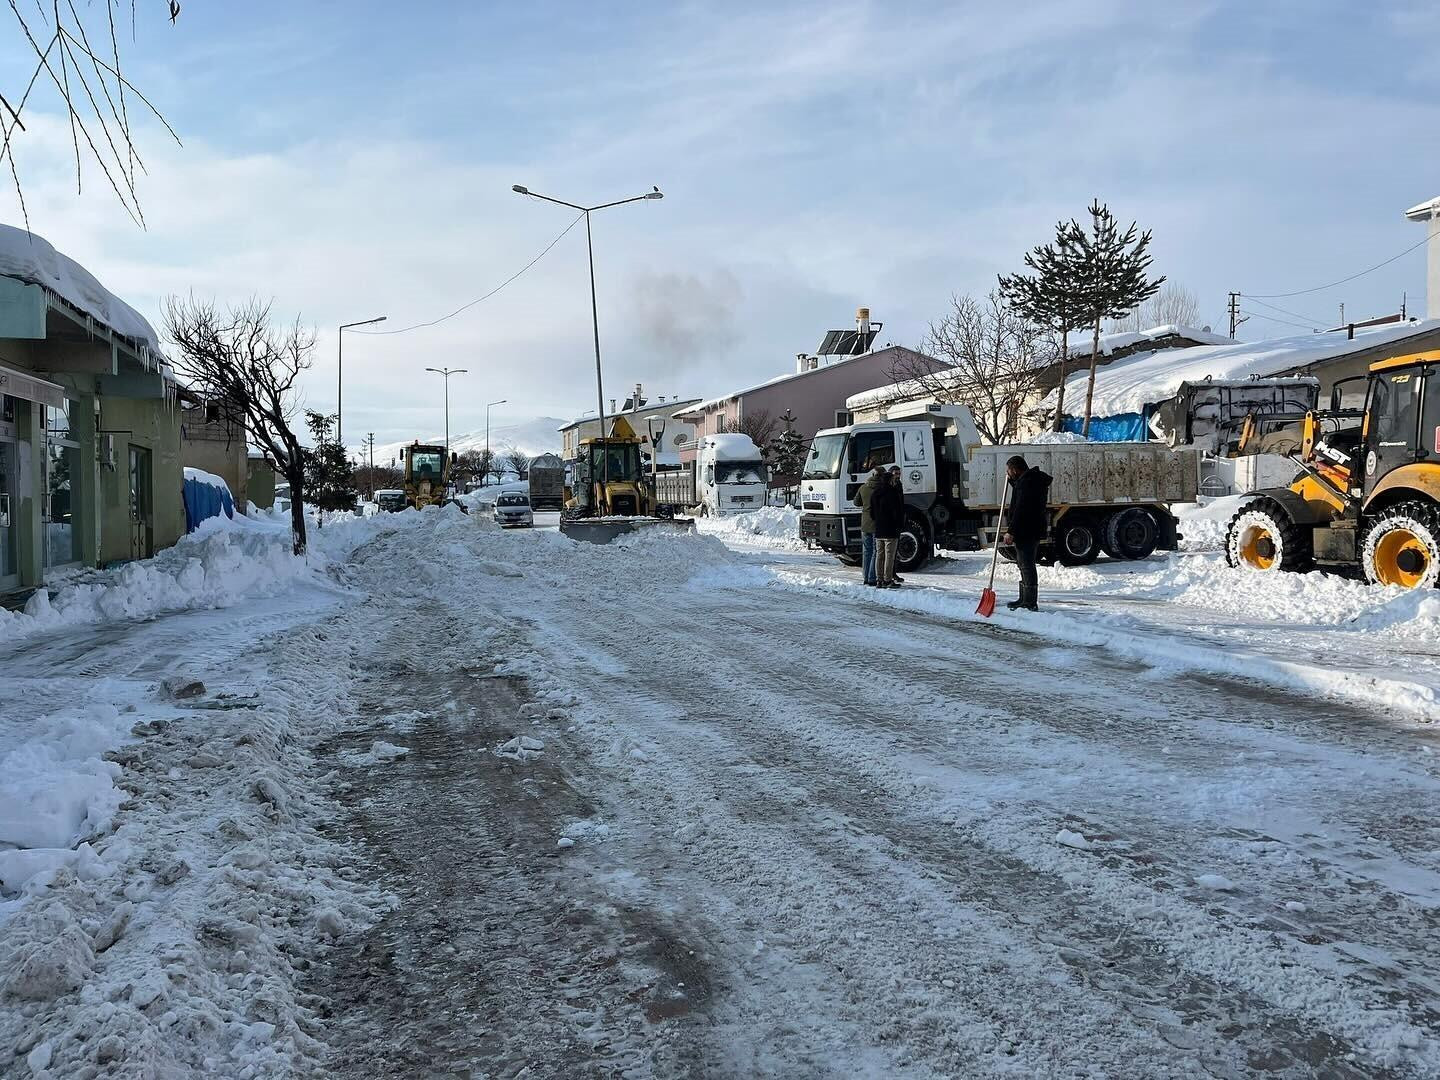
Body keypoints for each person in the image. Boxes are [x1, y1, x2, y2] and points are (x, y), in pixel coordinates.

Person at [1002, 455, 1052, 611]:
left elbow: (1021, 510)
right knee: (1024, 564)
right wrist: (1011, 481)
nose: (1008, 473)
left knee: (1027, 565)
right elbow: (1019, 494)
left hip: (1027, 530)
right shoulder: (1029, 481)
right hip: (1030, 528)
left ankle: (1029, 602)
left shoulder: (1027, 484)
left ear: (1015, 469)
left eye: (1009, 471)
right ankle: (1024, 599)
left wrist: (1011, 531)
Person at [872, 469, 904, 588]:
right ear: (890, 480)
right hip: (891, 529)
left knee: (879, 555)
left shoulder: (876, 493)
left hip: (879, 528)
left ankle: (878, 580)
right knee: (889, 556)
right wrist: (899, 525)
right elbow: (897, 511)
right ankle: (887, 580)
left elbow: (872, 512)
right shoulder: (893, 493)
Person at [853, 466, 885, 586]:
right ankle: (872, 577)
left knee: (866, 551)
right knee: (876, 551)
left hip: (865, 523)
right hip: (877, 523)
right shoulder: (881, 488)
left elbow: (856, 502)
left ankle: (865, 576)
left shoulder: (863, 487)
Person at [887, 466, 906, 583]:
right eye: (896, 473)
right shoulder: (890, 487)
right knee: (888, 551)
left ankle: (893, 573)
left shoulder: (898, 485)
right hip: (890, 521)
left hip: (897, 520)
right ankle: (888, 575)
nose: (898, 475)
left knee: (894, 550)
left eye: (899, 473)